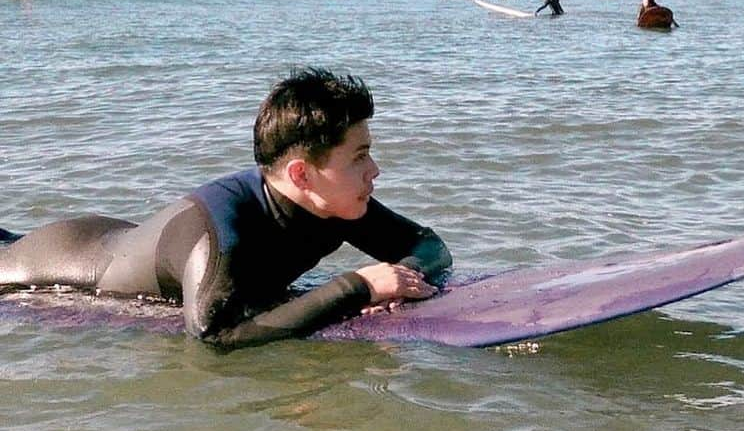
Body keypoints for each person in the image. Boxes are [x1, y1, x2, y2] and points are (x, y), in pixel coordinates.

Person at [0, 69, 451, 350]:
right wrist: (355, 288)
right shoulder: (221, 235)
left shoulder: (335, 202)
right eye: (359, 156)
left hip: (122, 241)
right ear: (301, 174)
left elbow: (429, 246)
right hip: (53, 264)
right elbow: (216, 335)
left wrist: (399, 280)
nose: (376, 169)